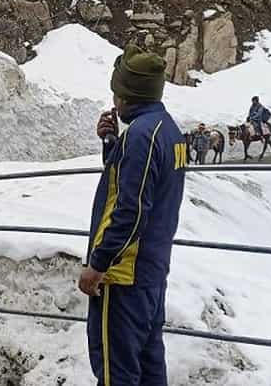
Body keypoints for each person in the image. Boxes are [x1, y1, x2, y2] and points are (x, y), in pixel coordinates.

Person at [78, 44, 186, 386]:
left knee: (116, 372)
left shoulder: (140, 136)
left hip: (123, 275)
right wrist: (112, 142)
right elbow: (139, 185)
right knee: (150, 364)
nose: (114, 102)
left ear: (129, 94)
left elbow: (130, 208)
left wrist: (99, 263)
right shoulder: (167, 130)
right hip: (152, 271)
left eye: (117, 94)